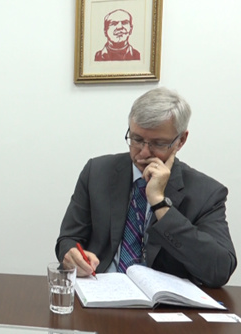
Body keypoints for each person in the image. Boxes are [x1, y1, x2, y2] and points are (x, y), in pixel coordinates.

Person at [55, 87, 237, 288]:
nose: (143, 153)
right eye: (137, 139)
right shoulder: (97, 172)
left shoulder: (206, 193)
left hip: (165, 306)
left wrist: (160, 204)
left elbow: (219, 270)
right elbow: (69, 239)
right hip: (101, 292)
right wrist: (70, 255)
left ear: (181, 141)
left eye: (158, 143)